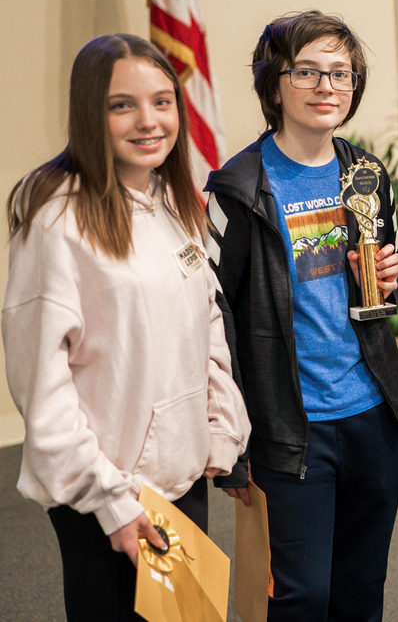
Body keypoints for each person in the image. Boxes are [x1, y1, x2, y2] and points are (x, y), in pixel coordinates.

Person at [2, 34, 251, 620]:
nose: (148, 121)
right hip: (106, 495)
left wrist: (220, 426)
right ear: (91, 112)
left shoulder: (170, 198)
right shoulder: (57, 219)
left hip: (181, 476)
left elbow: (205, 320)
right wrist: (112, 503)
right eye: (123, 105)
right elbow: (43, 391)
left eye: (162, 101)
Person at [204, 10, 398, 621]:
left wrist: (389, 278)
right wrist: (232, 444)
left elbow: (379, 289)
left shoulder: (366, 174)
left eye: (340, 73)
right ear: (274, 86)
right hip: (289, 426)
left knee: (361, 588)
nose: (327, 87)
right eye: (306, 72)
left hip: (371, 413)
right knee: (300, 597)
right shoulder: (236, 189)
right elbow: (213, 319)